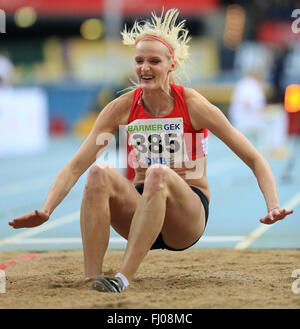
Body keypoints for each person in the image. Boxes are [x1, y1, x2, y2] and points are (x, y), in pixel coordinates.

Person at [9, 9, 293, 293]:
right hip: (140, 209)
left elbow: (254, 158)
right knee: (98, 172)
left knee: (158, 172)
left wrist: (273, 204)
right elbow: (75, 166)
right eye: (139, 61)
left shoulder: (193, 105)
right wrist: (47, 209)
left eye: (154, 61)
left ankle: (122, 278)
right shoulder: (121, 108)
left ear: (171, 65)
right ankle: (92, 278)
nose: (145, 68)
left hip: (186, 215)